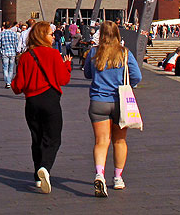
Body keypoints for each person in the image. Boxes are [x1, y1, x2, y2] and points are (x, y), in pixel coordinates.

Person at [11, 21, 73, 194]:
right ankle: (45, 167)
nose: (53, 37)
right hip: (50, 100)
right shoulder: (53, 54)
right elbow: (63, 79)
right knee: (53, 137)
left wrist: (14, 82)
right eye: (50, 34)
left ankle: (38, 176)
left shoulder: (25, 56)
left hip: (31, 102)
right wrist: (67, 65)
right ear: (42, 36)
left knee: (36, 137)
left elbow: (18, 86)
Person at [84, 21, 142, 196]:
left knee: (101, 142)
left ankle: (99, 174)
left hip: (98, 101)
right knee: (119, 141)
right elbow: (137, 77)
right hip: (120, 102)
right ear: (118, 34)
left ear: (100, 34)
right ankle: (118, 177)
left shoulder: (93, 52)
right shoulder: (125, 54)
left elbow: (87, 73)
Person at [0, 22, 21, 89]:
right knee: (11, 68)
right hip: (12, 53)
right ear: (10, 26)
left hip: (4, 52)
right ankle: (9, 81)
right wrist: (17, 51)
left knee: (5, 67)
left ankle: (7, 82)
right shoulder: (14, 34)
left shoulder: (2, 34)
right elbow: (16, 44)